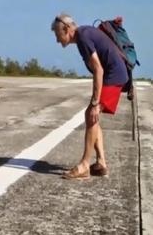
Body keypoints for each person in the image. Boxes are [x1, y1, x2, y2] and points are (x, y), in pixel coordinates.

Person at [51, 13, 128, 179]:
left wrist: (95, 102)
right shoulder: (84, 34)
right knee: (93, 117)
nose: (57, 40)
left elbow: (98, 69)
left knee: (91, 114)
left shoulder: (83, 37)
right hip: (114, 75)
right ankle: (101, 163)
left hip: (113, 76)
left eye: (58, 35)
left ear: (66, 29)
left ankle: (85, 165)